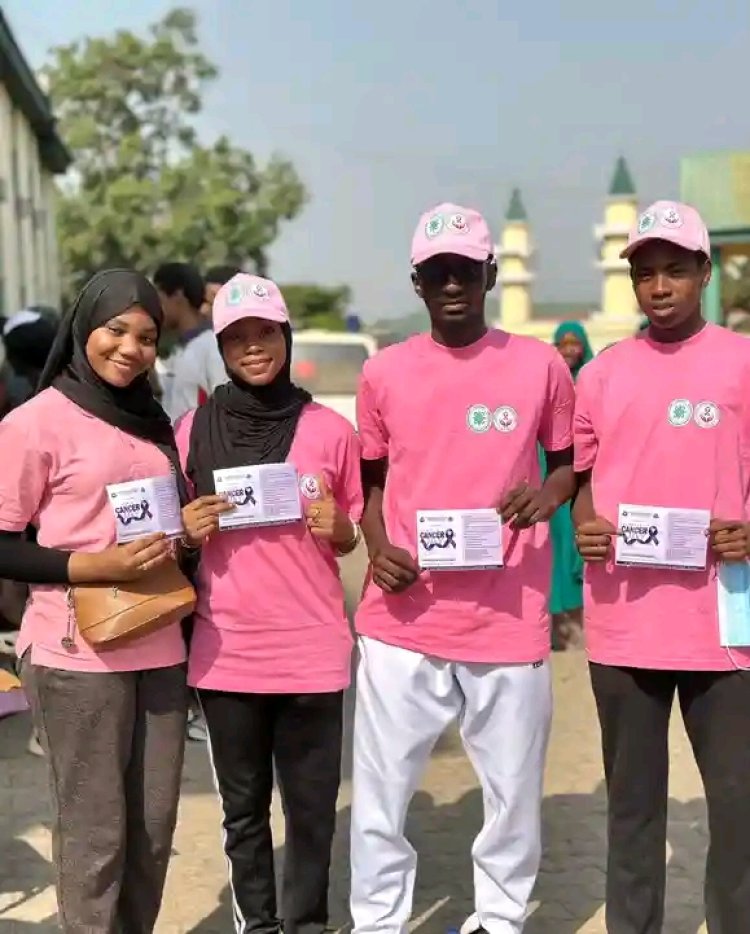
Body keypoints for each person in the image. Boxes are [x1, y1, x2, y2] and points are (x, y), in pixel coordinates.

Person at [350, 203, 576, 934]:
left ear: (491, 275)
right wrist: (376, 545)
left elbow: (568, 464)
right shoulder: (383, 372)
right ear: (417, 282)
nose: (453, 284)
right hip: (403, 618)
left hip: (507, 615)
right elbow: (370, 484)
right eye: (438, 272)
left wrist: (546, 497)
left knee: (511, 794)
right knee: (381, 794)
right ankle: (379, 920)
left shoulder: (540, 365)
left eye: (466, 271)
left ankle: (500, 918)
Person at [573, 201, 750, 934]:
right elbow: (583, 477)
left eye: (675, 269)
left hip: (726, 623)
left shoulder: (743, 362)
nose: (659, 286)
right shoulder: (601, 375)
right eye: (645, 273)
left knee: (738, 806)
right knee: (633, 807)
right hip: (625, 624)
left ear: (705, 272)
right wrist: (583, 523)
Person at [0, 269, 189, 932]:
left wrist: (189, 528)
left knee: (153, 831)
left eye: (147, 337)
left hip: (159, 647)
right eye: (116, 330)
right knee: (95, 836)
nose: (131, 348)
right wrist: (91, 565)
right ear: (84, 327)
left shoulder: (152, 419)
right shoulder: (34, 424)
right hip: (75, 654)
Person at [176, 273, 362, 934]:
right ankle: (256, 926)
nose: (252, 347)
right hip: (226, 654)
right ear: (221, 347)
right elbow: (171, 535)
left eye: (264, 333)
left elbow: (353, 532)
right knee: (244, 814)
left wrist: (341, 528)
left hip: (312, 652)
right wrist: (186, 530)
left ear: (285, 335)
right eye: (237, 337)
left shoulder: (330, 431)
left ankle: (307, 923)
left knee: (311, 813)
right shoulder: (191, 431)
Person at [546, 320, 594, 649]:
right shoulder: (548, 380)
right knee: (551, 545)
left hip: (586, 473)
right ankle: (553, 628)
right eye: (562, 343)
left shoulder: (593, 380)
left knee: (577, 545)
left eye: (574, 343)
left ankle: (579, 626)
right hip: (550, 471)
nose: (569, 350)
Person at [153, 262, 227, 422]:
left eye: (160, 299)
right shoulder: (179, 349)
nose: (157, 309)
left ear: (178, 295)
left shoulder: (213, 346)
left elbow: (225, 411)